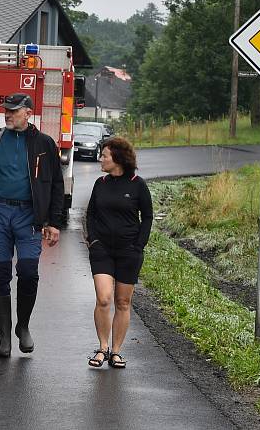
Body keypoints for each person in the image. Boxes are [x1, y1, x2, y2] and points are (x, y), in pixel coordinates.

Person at [0, 92, 64, 358]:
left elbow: (55, 185)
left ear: (28, 113)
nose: (7, 114)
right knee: (1, 271)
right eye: (6, 110)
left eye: (13, 111)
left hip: (29, 216)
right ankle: (4, 336)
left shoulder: (45, 144)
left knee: (29, 271)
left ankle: (23, 326)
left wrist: (54, 222)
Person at [85, 137, 152, 369]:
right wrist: (92, 240)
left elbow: (148, 217)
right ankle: (102, 348)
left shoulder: (137, 184)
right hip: (101, 249)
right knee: (103, 298)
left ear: (118, 158)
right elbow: (91, 214)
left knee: (122, 302)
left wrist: (139, 245)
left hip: (128, 252)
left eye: (104, 155)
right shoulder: (100, 183)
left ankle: (116, 352)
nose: (100, 159)